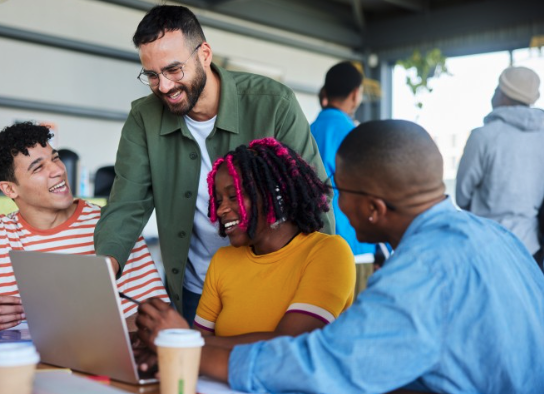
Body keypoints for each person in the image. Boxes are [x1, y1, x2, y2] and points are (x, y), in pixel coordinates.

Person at [144, 120, 544, 393]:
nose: (335, 204)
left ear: (373, 208)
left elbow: (326, 367)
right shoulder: (500, 239)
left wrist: (188, 353)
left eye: (341, 190)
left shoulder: (421, 270)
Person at [94, 5, 334, 325]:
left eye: (174, 70)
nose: (164, 86)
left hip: (273, 283)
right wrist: (101, 274)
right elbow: (127, 203)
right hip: (195, 290)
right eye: (151, 75)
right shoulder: (143, 119)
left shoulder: (273, 103)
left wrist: (323, 281)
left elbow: (312, 199)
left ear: (204, 54)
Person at [0, 122, 168, 332]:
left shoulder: (115, 226)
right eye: (38, 167)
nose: (58, 171)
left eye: (55, 158)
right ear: (10, 189)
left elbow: (160, 317)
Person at [136, 138, 355, 350]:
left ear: (274, 194)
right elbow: (199, 345)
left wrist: (184, 342)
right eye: (218, 200)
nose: (221, 210)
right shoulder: (223, 260)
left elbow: (287, 345)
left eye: (234, 196)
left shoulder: (328, 252)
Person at [456, 66, 544, 270]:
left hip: (486, 246)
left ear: (505, 95)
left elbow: (462, 197)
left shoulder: (483, 136)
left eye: (497, 89)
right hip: (531, 248)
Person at [310, 61, 377, 259]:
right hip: (353, 246)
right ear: (356, 94)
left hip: (311, 246)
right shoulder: (356, 136)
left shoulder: (305, 132)